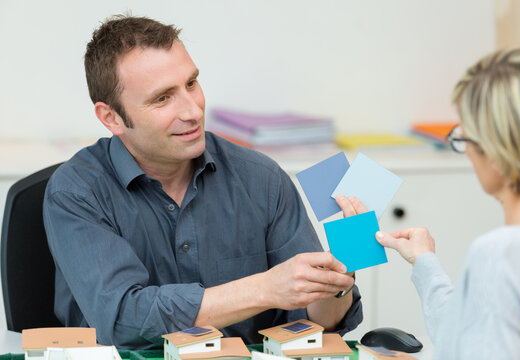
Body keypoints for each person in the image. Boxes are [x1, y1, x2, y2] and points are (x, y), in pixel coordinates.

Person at [43, 15, 362, 350]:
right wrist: (265, 288)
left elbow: (312, 327)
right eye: (163, 98)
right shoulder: (76, 192)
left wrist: (340, 276)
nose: (193, 111)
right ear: (112, 118)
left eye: (191, 83)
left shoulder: (262, 179)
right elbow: (123, 319)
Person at [337, 48, 520, 359]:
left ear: (497, 151)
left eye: (464, 139)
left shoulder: (503, 254)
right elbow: (471, 335)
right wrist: (424, 261)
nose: (466, 152)